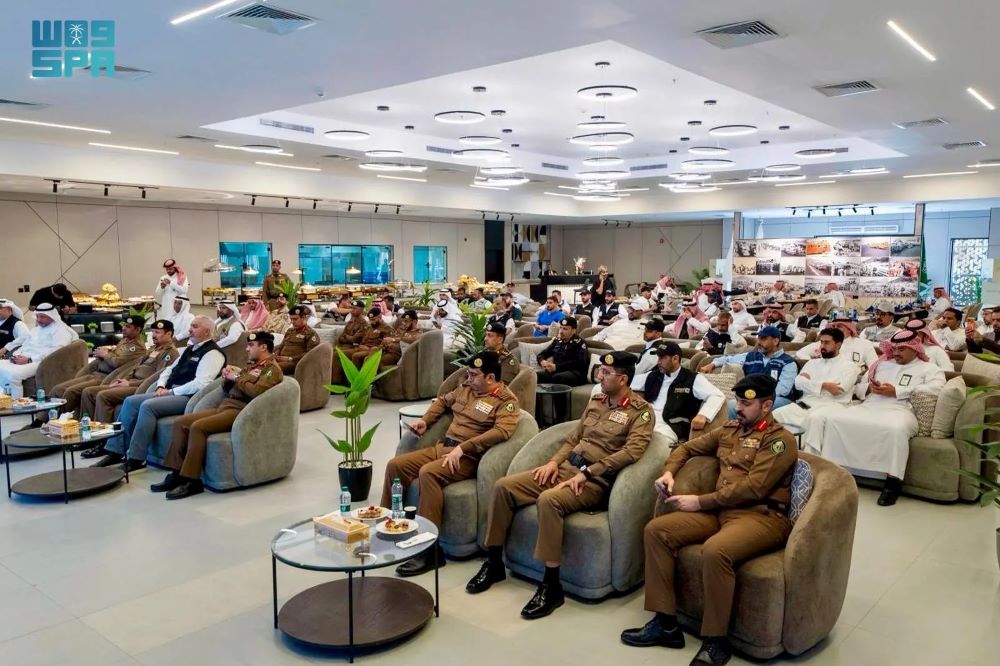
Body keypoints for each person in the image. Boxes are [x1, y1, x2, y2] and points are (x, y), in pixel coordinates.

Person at [621, 375, 796, 666]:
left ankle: (716, 641)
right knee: (656, 531)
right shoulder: (729, 430)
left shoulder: (779, 441)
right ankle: (666, 624)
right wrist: (669, 473)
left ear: (767, 406)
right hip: (721, 512)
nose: (738, 408)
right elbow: (686, 448)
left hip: (761, 516)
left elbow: (754, 488)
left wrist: (700, 502)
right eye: (737, 401)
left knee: (716, 550)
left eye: (747, 403)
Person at [467, 352, 652, 619]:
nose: (600, 376)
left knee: (549, 500)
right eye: (600, 371)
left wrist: (588, 473)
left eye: (606, 373)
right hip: (566, 469)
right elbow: (573, 438)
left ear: (623, 379)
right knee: (503, 487)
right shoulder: (597, 401)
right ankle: (494, 562)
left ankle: (551, 586)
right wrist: (553, 462)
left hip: (595, 481)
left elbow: (631, 453)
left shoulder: (640, 412)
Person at [383, 351, 520, 575]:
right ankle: (390, 527)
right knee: (395, 466)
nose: (469, 378)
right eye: (469, 373)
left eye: (474, 375)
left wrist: (463, 448)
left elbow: (502, 432)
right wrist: (425, 421)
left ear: (490, 378)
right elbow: (442, 401)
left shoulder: (506, 401)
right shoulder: (465, 388)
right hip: (443, 448)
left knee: (428, 473)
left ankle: (429, 550)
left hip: (467, 457)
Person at [802, 329, 945, 506]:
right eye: (894, 348)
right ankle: (833, 472)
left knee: (895, 429)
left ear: (915, 349)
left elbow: (937, 388)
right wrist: (870, 389)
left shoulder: (930, 369)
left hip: (902, 410)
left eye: (901, 349)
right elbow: (859, 388)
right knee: (834, 420)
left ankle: (892, 483)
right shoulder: (882, 365)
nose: (896, 353)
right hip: (870, 406)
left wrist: (897, 391)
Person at [155, 332, 283, 499]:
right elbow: (231, 388)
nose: (247, 349)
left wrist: (236, 378)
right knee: (181, 422)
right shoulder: (252, 365)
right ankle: (176, 473)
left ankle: (191, 480)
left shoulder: (271, 369)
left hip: (241, 411)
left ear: (264, 347)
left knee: (198, 427)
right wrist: (228, 380)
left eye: (251, 345)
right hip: (226, 405)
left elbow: (256, 392)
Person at [93, 316, 225, 471]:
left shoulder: (213, 353)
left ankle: (136, 458)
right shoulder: (190, 349)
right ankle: (115, 451)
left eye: (195, 326)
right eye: (190, 326)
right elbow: (168, 370)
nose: (189, 330)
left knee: (148, 406)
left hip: (189, 397)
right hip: (170, 391)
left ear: (207, 331)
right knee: (130, 401)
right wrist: (161, 386)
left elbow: (202, 384)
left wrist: (171, 391)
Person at [79, 320, 178, 425]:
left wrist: (129, 384)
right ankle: (87, 426)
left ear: (168, 334)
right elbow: (136, 367)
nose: (153, 335)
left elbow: (157, 378)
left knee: (103, 396)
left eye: (157, 332)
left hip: (141, 387)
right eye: (153, 332)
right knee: (88, 392)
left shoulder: (170, 353)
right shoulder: (153, 349)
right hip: (130, 381)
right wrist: (123, 379)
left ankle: (103, 432)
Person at [49, 315, 147, 418]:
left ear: (137, 329)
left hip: (107, 377)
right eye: (124, 325)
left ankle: (55, 419)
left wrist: (105, 355)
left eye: (128, 326)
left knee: (71, 391)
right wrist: (105, 354)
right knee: (58, 389)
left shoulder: (137, 347)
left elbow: (117, 362)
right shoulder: (125, 340)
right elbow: (115, 355)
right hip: (96, 373)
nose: (123, 328)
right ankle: (43, 417)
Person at [635, 340, 725, 446]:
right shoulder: (652, 375)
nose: (658, 362)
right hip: (646, 418)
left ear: (675, 359)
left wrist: (703, 415)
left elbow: (717, 395)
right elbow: (627, 385)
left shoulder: (692, 378)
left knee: (649, 442)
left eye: (663, 358)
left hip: (670, 425)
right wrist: (640, 402)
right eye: (658, 357)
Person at [772, 328, 858, 430]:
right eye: (821, 342)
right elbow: (798, 383)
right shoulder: (812, 363)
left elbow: (838, 391)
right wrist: (824, 386)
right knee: (777, 413)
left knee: (814, 419)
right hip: (806, 403)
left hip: (833, 406)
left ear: (838, 345)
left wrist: (808, 383)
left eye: (827, 343)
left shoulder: (850, 366)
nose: (822, 346)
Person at [700, 326, 797, 413]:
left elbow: (783, 390)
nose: (759, 342)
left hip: (778, 399)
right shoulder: (751, 356)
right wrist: (713, 364)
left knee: (743, 408)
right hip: (751, 397)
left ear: (775, 341)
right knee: (726, 405)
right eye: (758, 338)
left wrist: (756, 397)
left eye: (763, 339)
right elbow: (728, 358)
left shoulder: (788, 362)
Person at [0, 303, 75, 398]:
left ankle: (16, 402)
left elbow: (56, 352)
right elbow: (25, 345)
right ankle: (4, 399)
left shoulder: (61, 330)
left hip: (40, 362)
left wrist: (29, 359)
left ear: (52, 316)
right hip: (25, 358)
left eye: (43, 317)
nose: (39, 320)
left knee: (13, 375)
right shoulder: (36, 330)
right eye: (37, 316)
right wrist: (16, 355)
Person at [796, 319, 878, 372]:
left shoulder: (864, 344)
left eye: (839, 327)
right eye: (833, 326)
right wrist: (815, 364)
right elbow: (800, 353)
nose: (835, 329)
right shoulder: (824, 342)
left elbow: (874, 366)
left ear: (849, 329)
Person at [535, 317, 589, 386]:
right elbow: (542, 354)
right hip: (557, 371)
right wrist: (542, 361)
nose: (561, 331)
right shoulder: (557, 341)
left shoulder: (580, 343)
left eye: (565, 329)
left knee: (558, 377)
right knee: (535, 375)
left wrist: (556, 367)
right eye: (560, 328)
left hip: (575, 373)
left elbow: (580, 362)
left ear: (573, 330)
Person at [331, 300, 371, 384]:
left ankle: (336, 382)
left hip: (354, 347)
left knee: (336, 354)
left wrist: (346, 337)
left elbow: (354, 339)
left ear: (361, 310)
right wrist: (347, 337)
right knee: (330, 351)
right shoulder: (350, 322)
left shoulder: (363, 324)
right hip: (345, 345)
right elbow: (340, 338)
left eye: (355, 308)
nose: (353, 310)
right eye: (352, 308)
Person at [273, 305, 320, 373]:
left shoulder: (310, 333)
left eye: (295, 319)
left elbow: (310, 353)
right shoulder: (290, 331)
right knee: (260, 363)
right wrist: (276, 353)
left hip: (294, 362)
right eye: (291, 319)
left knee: (272, 368)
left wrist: (290, 358)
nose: (292, 322)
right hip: (280, 359)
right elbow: (282, 345)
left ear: (303, 318)